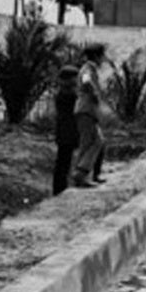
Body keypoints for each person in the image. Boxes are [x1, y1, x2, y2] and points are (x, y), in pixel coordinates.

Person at [71, 45, 106, 188]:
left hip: (89, 111)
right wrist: (94, 94)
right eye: (102, 56)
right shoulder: (88, 69)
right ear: (97, 56)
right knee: (91, 142)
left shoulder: (90, 69)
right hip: (86, 110)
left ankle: (83, 174)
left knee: (96, 141)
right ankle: (80, 175)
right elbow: (86, 81)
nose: (103, 59)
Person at [53, 66, 80, 196]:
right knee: (63, 163)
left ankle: (61, 188)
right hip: (67, 132)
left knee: (64, 163)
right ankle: (59, 189)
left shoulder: (64, 94)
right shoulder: (67, 95)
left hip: (66, 132)